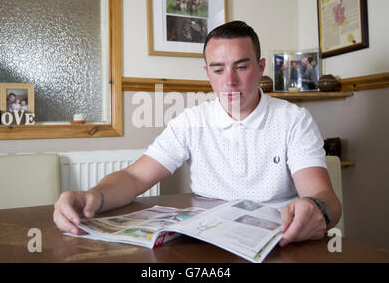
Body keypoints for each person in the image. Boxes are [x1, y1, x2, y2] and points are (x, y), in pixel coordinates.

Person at [53, 21, 341, 248]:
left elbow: (323, 196)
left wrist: (316, 209)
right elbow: (135, 177)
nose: (230, 81)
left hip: (279, 242)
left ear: (260, 67)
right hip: (207, 242)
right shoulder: (191, 121)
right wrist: (92, 196)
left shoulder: (293, 120)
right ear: (207, 73)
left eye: (241, 66)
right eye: (218, 69)